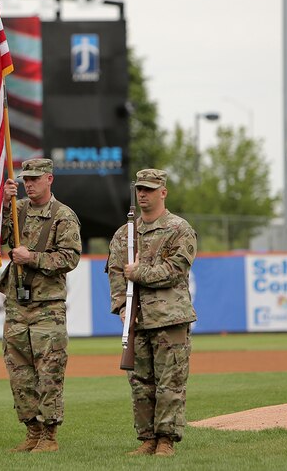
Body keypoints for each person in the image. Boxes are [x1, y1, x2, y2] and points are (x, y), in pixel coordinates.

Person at [107, 168, 198, 457]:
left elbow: (175, 270)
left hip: (170, 317)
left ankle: (166, 441)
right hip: (137, 320)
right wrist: (122, 307)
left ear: (163, 192)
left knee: (170, 383)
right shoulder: (125, 234)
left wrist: (139, 272)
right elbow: (115, 272)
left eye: (148, 189)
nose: (143, 194)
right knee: (140, 384)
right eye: (140, 189)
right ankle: (147, 439)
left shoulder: (179, 229)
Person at [0, 158, 82, 453]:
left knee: (49, 372)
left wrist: (31, 257)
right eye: (25, 180)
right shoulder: (17, 210)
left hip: (47, 306)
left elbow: (69, 258)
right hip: (17, 305)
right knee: (19, 373)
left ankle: (49, 435)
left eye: (34, 179)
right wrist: (4, 205)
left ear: (49, 179)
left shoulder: (63, 216)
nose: (28, 184)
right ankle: (32, 431)